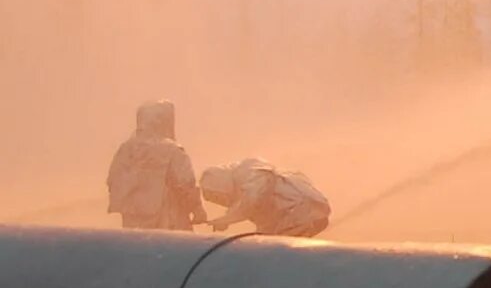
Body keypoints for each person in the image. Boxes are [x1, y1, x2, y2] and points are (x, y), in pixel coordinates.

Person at [106, 100, 204, 232]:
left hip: (133, 223)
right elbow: (186, 183)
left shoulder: (125, 150)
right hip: (168, 222)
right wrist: (197, 209)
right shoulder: (172, 150)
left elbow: (112, 181)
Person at [199, 158, 332, 238]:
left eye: (216, 195)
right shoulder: (245, 184)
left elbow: (252, 199)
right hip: (300, 215)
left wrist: (227, 219)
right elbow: (265, 227)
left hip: (299, 211)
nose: (219, 201)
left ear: (220, 183)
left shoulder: (248, 169)